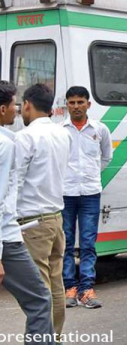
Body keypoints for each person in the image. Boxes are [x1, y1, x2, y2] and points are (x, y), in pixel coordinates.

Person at [0, 82, 55, 345]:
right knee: (40, 300)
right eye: (13, 104)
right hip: (6, 240)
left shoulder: (11, 140)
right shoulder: (5, 145)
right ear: (2, 109)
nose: (17, 110)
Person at [15, 84, 70, 336]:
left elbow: (14, 180)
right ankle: (55, 337)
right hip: (56, 218)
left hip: (33, 223)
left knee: (40, 290)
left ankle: (42, 339)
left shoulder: (26, 137)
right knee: (55, 284)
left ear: (27, 104)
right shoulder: (62, 133)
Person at [62, 86, 112, 309]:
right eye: (71, 102)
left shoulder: (100, 130)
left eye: (80, 102)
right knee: (65, 243)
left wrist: (90, 175)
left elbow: (106, 158)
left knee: (88, 243)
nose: (76, 106)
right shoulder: (60, 131)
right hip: (65, 193)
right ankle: (69, 288)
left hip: (91, 193)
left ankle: (87, 290)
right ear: (67, 105)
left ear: (88, 104)